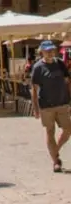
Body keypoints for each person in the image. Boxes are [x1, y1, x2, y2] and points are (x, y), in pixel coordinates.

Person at [31, 40, 71, 173]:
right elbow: (34, 90)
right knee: (50, 131)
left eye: (52, 50)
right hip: (46, 105)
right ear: (41, 51)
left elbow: (68, 82)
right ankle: (56, 161)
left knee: (68, 129)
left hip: (62, 103)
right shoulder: (37, 67)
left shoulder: (60, 64)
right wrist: (36, 109)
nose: (50, 53)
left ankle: (56, 150)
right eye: (47, 51)